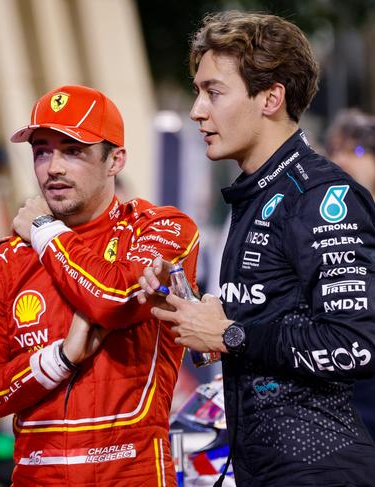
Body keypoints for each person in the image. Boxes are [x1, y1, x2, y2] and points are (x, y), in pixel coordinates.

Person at [140, 11, 375, 486]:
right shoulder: (260, 195)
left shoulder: (320, 198)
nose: (196, 110)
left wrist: (231, 334)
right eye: (197, 90)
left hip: (322, 471)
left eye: (213, 91)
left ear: (271, 97)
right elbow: (275, 318)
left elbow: (358, 344)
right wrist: (189, 307)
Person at [0, 84, 200, 486]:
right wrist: (56, 361)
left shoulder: (162, 228)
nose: (52, 167)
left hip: (136, 475)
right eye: (41, 151)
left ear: (115, 160)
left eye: (72, 151)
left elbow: (114, 299)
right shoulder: (2, 259)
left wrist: (44, 231)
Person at [326, 109, 375, 441]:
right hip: (342, 394)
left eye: (355, 150)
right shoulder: (321, 224)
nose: (341, 159)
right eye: (334, 150)